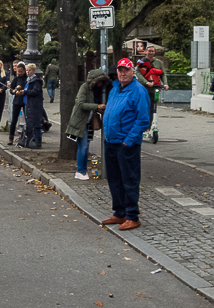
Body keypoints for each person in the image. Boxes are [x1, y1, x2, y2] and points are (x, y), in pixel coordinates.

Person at [99, 58, 150, 232]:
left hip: (126, 143)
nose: (122, 73)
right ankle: (119, 212)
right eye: (120, 70)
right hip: (112, 141)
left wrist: (128, 140)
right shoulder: (115, 89)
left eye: (126, 70)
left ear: (132, 72)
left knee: (129, 179)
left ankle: (132, 216)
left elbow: (143, 119)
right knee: (114, 179)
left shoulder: (138, 91)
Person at [67, 68, 110, 180]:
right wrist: (96, 106)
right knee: (84, 146)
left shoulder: (94, 90)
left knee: (85, 146)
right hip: (82, 121)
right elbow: (80, 103)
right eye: (99, 82)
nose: (100, 84)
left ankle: (82, 170)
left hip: (87, 121)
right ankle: (80, 170)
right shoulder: (85, 88)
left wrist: (97, 109)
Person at [135, 46, 167, 144]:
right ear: (146, 52)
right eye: (149, 51)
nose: (151, 53)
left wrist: (165, 84)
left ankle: (149, 127)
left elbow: (163, 74)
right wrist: (145, 82)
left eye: (152, 51)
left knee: (153, 109)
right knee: (143, 108)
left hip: (155, 89)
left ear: (154, 52)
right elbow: (138, 73)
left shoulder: (158, 63)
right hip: (144, 89)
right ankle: (143, 127)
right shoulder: (141, 62)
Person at [21, 63, 44, 149]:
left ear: (33, 71)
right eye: (26, 70)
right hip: (28, 103)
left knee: (36, 123)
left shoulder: (36, 81)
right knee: (29, 122)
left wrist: (25, 92)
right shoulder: (28, 80)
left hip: (34, 105)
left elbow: (35, 91)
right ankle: (29, 139)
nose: (27, 72)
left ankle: (37, 140)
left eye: (29, 70)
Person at [6, 62, 27, 145]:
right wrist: (13, 91)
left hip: (25, 100)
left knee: (27, 119)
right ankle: (10, 138)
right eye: (18, 71)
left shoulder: (27, 79)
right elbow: (11, 89)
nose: (20, 73)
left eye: (21, 71)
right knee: (14, 120)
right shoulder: (16, 78)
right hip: (17, 101)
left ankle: (27, 137)